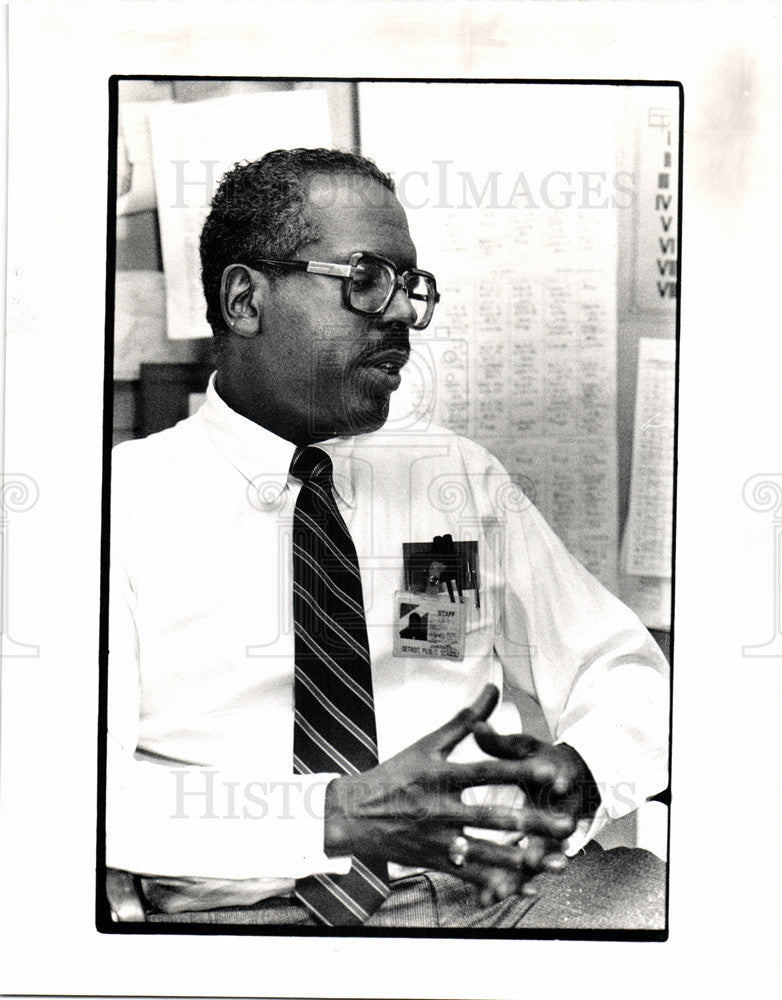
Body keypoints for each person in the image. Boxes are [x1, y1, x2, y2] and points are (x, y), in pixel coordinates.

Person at [106, 148, 669, 929]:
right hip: (247, 922)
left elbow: (623, 667)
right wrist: (335, 814)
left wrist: (585, 767)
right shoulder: (117, 506)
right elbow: (76, 794)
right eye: (367, 279)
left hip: (491, 895)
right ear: (244, 299)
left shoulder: (452, 477)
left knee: (685, 914)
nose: (404, 312)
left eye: (412, 288)